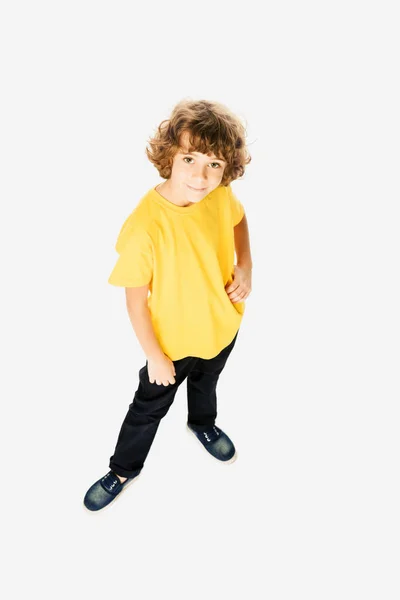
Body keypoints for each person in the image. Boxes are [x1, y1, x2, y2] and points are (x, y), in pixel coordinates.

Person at [83, 98, 253, 512]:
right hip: (171, 349)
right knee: (147, 411)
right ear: (168, 155)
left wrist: (246, 266)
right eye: (190, 158)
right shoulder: (146, 226)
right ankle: (123, 469)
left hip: (222, 326)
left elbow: (238, 219)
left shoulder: (219, 194)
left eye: (214, 164)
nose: (201, 175)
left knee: (207, 384)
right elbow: (135, 302)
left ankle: (202, 424)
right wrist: (155, 358)